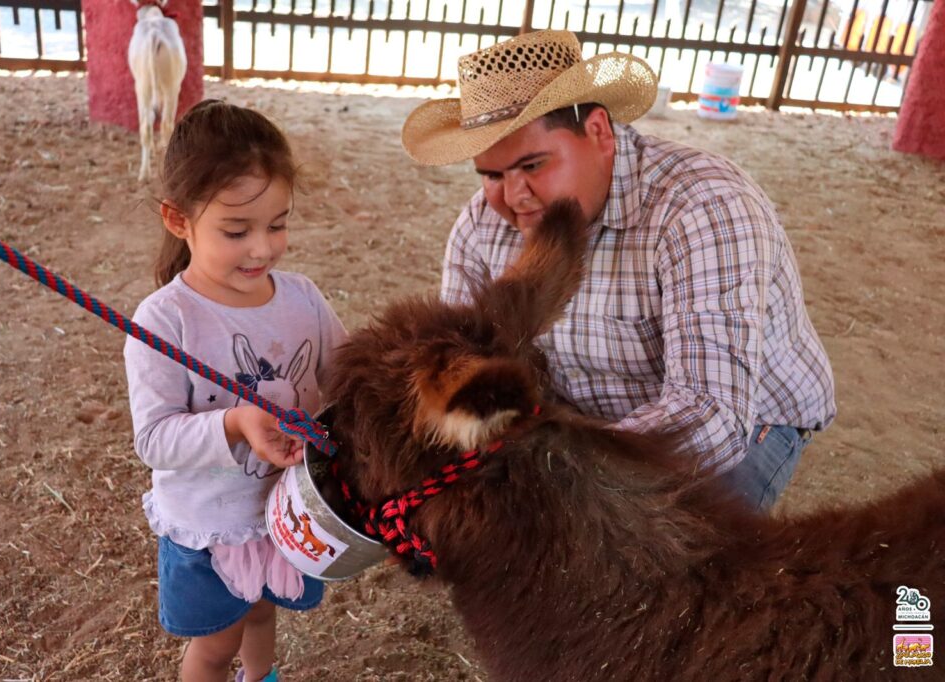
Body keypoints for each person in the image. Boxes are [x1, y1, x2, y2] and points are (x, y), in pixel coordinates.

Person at [400, 30, 836, 512]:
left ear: (600, 133)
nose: (513, 196)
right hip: (575, 423)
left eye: (533, 165)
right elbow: (470, 365)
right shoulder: (481, 227)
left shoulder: (703, 207)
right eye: (492, 175)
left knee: (671, 568)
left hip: (750, 420)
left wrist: (556, 469)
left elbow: (711, 416)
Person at [123, 100, 347, 682]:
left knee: (262, 614)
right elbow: (154, 439)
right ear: (178, 219)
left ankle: (262, 677)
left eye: (278, 224)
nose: (262, 248)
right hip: (210, 524)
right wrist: (233, 423)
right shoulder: (165, 320)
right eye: (236, 230)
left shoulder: (301, 298)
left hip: (283, 512)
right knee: (216, 646)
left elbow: (348, 374)